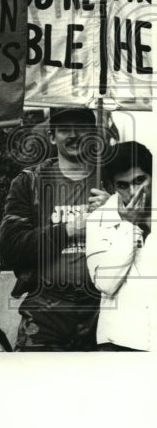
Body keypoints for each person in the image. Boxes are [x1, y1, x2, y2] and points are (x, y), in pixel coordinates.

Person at [0, 107, 104, 351]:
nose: (74, 135)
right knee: (38, 383)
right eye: (65, 129)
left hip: (100, 312)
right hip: (45, 312)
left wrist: (114, 211)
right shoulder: (30, 182)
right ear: (51, 136)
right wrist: (68, 229)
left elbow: (143, 236)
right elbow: (12, 246)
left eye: (82, 128)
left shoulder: (110, 179)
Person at [86, 140, 155, 351]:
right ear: (112, 187)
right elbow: (106, 283)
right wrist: (128, 226)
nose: (133, 192)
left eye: (140, 180)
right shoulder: (99, 218)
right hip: (119, 342)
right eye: (123, 185)